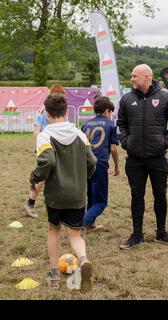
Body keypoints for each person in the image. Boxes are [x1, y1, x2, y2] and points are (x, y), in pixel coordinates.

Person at [29, 93, 97, 292]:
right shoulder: (79, 134)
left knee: (54, 230)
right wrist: (84, 178)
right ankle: (83, 260)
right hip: (77, 194)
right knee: (75, 235)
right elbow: (92, 162)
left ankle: (54, 274)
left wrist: (35, 178)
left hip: (55, 195)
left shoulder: (44, 136)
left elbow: (47, 161)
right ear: (67, 112)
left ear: (46, 113)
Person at [117, 64, 168, 249]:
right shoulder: (126, 98)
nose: (131, 79)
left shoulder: (166, 96)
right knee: (136, 196)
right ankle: (137, 235)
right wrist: (126, 141)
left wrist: (165, 142)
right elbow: (119, 123)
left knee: (160, 195)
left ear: (147, 77)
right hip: (134, 159)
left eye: (134, 76)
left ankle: (161, 233)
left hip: (158, 158)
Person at [25, 84, 66, 218]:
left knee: (59, 176)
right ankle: (30, 203)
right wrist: (44, 144)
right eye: (62, 96)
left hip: (59, 149)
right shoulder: (43, 111)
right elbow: (36, 132)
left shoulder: (61, 111)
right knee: (41, 178)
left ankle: (59, 205)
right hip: (46, 149)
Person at [81, 96, 120, 231]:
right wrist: (117, 166)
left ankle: (90, 225)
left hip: (84, 164)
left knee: (91, 196)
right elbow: (113, 148)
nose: (111, 116)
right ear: (107, 111)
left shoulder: (86, 124)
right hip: (99, 163)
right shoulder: (110, 125)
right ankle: (79, 224)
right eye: (111, 112)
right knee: (101, 202)